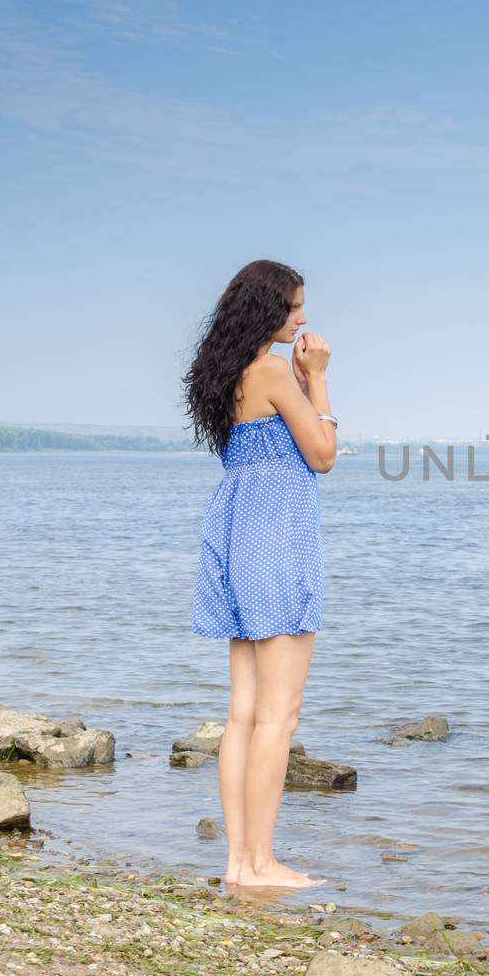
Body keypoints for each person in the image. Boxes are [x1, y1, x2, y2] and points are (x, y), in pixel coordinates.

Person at [182, 259, 338, 888]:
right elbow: (322, 457)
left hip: (235, 524)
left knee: (243, 710)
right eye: (295, 308)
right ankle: (262, 862)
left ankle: (238, 862)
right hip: (276, 531)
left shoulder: (222, 375)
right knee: (280, 714)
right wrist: (318, 382)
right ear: (266, 310)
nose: (304, 319)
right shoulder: (274, 371)